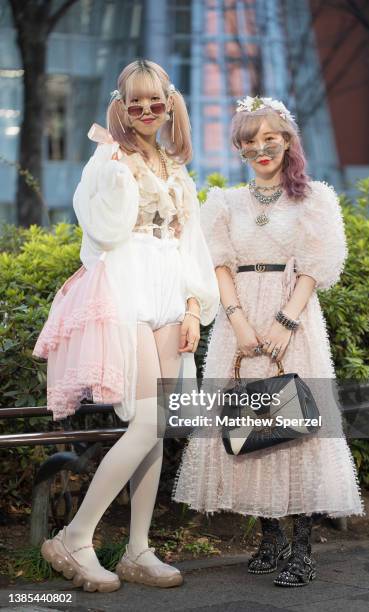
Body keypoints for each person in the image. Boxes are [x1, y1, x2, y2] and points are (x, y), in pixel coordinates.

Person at [32, 59, 219, 592]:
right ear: (120, 105)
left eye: (154, 101)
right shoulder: (107, 158)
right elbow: (102, 231)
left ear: (170, 103)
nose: (145, 111)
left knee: (158, 423)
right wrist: (114, 172)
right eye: (133, 101)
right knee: (145, 421)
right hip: (127, 293)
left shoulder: (176, 168)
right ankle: (76, 536)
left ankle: (138, 549)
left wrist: (190, 309)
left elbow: (191, 246)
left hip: (167, 299)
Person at [172, 96, 365, 587]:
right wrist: (237, 323)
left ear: (287, 140)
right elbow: (217, 264)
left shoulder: (313, 198)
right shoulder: (223, 203)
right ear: (239, 147)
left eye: (269, 139)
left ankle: (302, 548)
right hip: (239, 322)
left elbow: (315, 267)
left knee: (294, 424)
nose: (260, 148)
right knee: (248, 421)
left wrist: (285, 321)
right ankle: (269, 538)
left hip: (292, 319)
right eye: (249, 141)